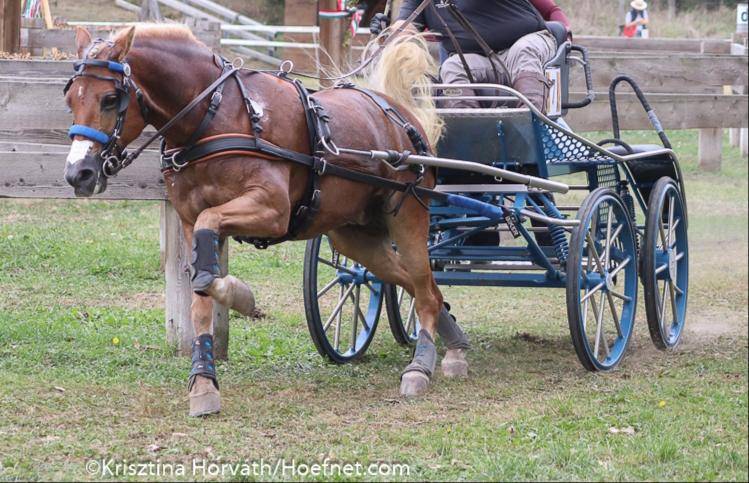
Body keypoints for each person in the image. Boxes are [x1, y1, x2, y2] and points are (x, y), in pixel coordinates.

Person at [370, 0, 571, 111]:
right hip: (485, 62)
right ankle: (471, 134)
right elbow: (406, 28)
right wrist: (386, 33)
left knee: (522, 51)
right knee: (453, 66)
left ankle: (529, 122)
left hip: (531, 40)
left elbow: (550, 9)